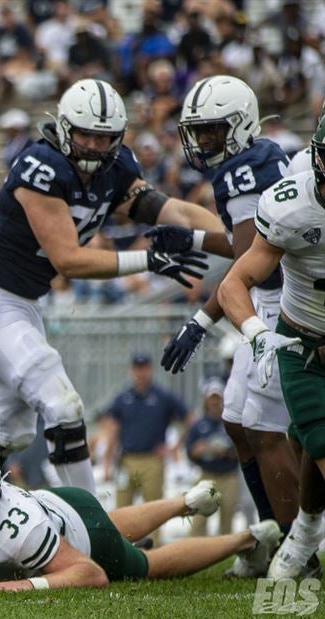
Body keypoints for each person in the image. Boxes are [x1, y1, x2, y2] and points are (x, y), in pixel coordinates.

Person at [0, 78, 224, 494]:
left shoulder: (116, 171)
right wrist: (148, 260)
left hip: (20, 306)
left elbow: (170, 209)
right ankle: (94, 526)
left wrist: (236, 238)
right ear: (63, 129)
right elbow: (69, 261)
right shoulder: (40, 168)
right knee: (62, 405)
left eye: (104, 137)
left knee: (11, 435)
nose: (94, 145)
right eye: (85, 135)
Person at [0, 430, 281, 594]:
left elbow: (90, 574)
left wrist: (25, 585)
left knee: (142, 564)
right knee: (111, 524)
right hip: (63, 510)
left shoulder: (17, 528)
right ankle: (183, 503)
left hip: (76, 529)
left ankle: (247, 540)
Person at [155, 75, 302, 571]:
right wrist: (194, 241)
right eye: (197, 131)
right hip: (268, 296)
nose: (201, 142)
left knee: (262, 428)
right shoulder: (263, 156)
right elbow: (249, 245)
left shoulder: (243, 170)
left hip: (281, 303)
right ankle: (269, 536)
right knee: (237, 422)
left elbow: (245, 267)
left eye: (212, 131)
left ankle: (294, 548)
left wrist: (200, 320)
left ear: (237, 127)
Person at [218, 111, 325, 580]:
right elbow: (234, 282)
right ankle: (300, 535)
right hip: (305, 346)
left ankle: (304, 529)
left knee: (309, 448)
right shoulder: (290, 206)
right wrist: (257, 336)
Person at [99, 353, 189, 542]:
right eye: (137, 368)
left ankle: (154, 552)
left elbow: (189, 418)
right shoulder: (123, 398)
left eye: (144, 368)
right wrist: (108, 462)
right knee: (122, 508)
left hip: (152, 460)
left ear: (151, 369)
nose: (141, 372)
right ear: (132, 370)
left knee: (154, 508)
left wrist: (174, 447)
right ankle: (122, 549)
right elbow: (112, 429)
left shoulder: (163, 397)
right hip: (127, 459)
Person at [184, 378, 240, 537]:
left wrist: (226, 452)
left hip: (228, 476)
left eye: (218, 398)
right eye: (211, 398)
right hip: (206, 476)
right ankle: (195, 552)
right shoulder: (198, 424)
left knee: (228, 516)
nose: (214, 402)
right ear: (206, 400)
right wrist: (201, 449)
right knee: (199, 518)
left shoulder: (231, 422)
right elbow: (190, 452)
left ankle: (225, 552)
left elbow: (243, 450)